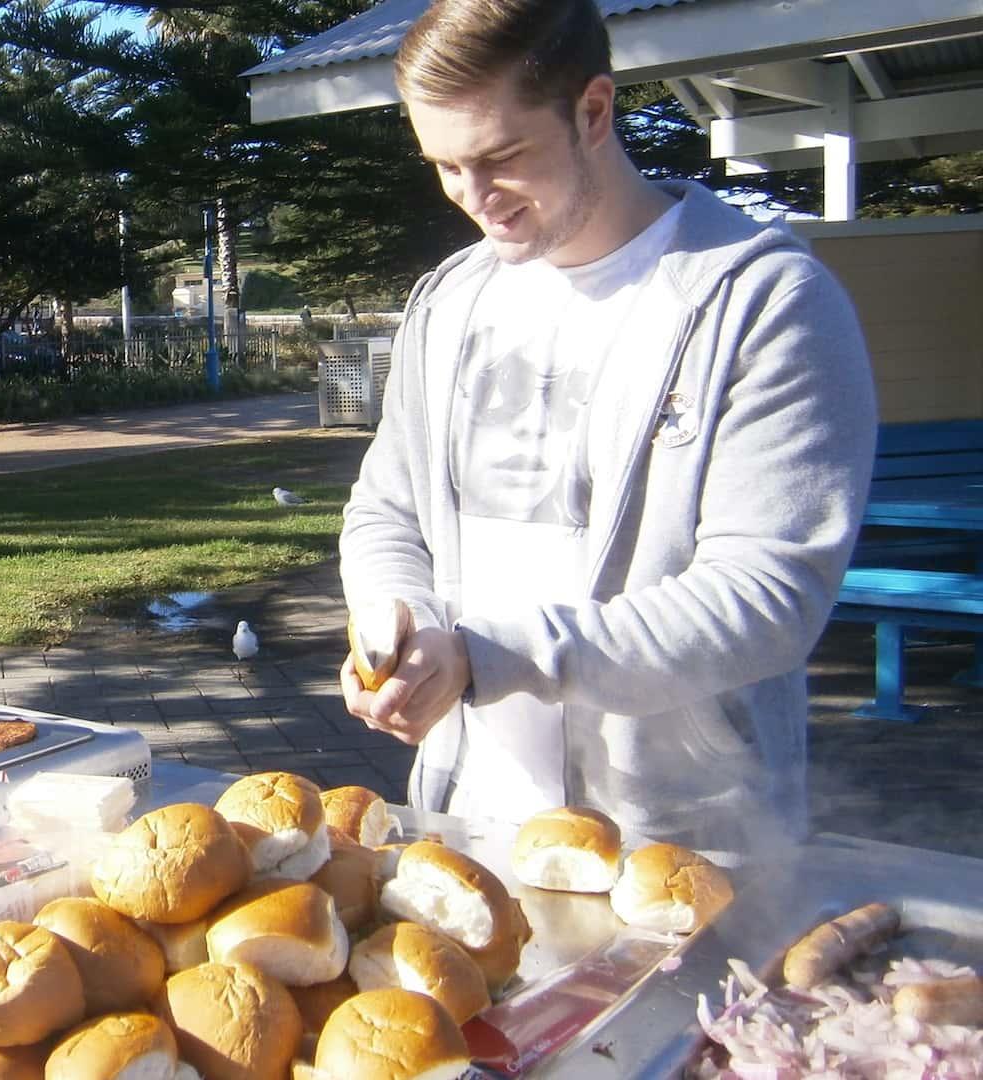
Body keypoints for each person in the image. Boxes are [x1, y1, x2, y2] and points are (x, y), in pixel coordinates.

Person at [337, 0, 877, 864]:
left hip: (683, 848)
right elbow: (386, 511)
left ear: (594, 110)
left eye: (501, 158)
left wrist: (485, 656)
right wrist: (392, 619)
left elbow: (767, 599)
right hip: (464, 826)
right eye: (444, 166)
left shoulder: (763, 303)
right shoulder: (449, 301)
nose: (478, 202)